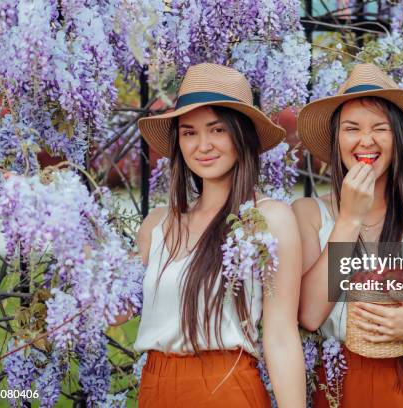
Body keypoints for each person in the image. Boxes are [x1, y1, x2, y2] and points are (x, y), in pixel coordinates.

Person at [115, 63, 305, 407]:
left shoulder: (267, 218)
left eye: (217, 130)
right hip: (155, 388)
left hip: (225, 387)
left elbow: (280, 336)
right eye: (189, 133)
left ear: (241, 135)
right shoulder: (158, 224)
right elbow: (114, 312)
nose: (203, 145)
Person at [293, 63, 403, 407]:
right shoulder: (308, 214)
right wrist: (349, 219)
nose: (366, 140)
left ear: (398, 138)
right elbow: (310, 315)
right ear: (337, 139)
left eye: (380, 128)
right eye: (351, 128)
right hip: (342, 384)